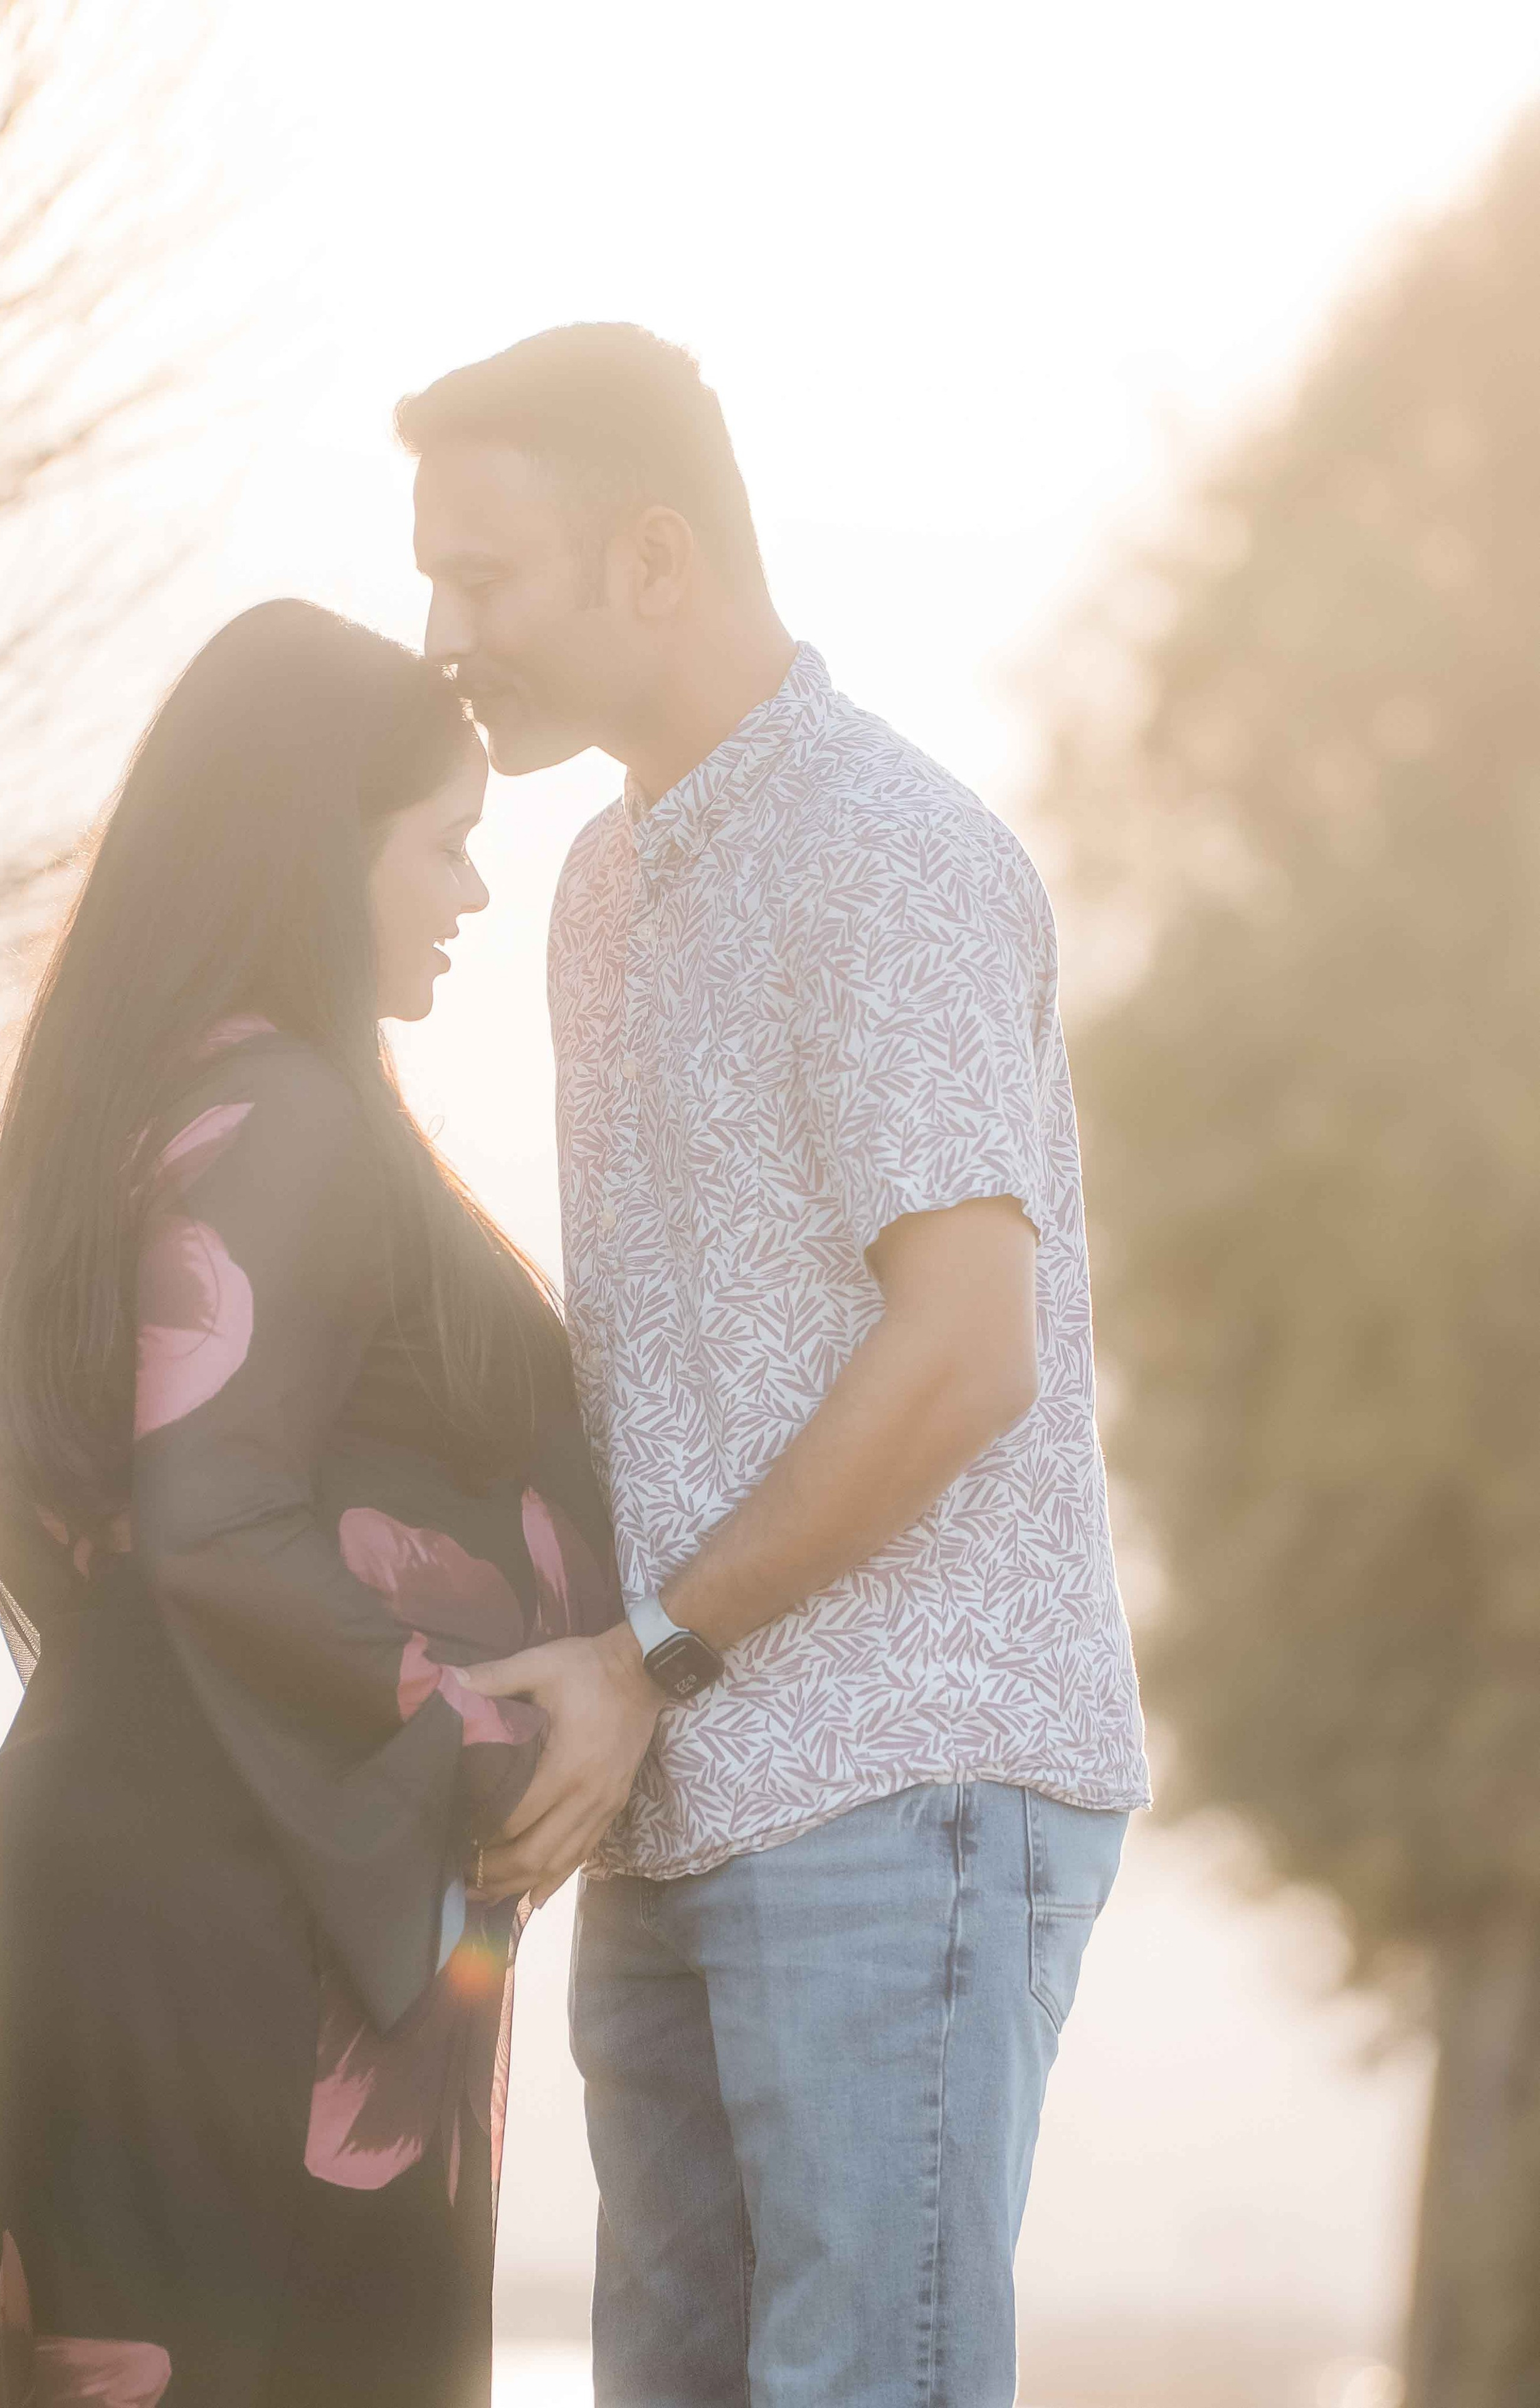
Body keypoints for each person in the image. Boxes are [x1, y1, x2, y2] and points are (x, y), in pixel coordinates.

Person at [400, 323, 1151, 2408]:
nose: (444, 633)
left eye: (486, 577)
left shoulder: (888, 855)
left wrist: (652, 1646)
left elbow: (967, 1353)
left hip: (901, 1784)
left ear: (654, 560)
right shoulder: (597, 889)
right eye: (432, 578)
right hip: (682, 1790)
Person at [0, 601, 618, 2408]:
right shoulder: (286, 1113)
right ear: (326, 847)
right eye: (444, 839)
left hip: (180, 1853)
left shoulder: (161, 1105)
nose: (473, 888)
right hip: (252, 1904)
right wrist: (501, 1729)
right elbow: (212, 1518)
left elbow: (74, 1531)